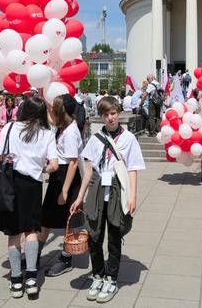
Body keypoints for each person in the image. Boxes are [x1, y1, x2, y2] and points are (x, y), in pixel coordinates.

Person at [70, 96, 145, 304]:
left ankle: (111, 278)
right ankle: (98, 275)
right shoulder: (95, 139)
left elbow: (132, 169)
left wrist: (132, 195)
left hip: (116, 189)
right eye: (106, 115)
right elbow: (89, 170)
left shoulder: (129, 138)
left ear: (118, 113)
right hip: (96, 190)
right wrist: (79, 197)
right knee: (94, 236)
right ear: (101, 117)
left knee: (114, 236)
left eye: (113, 114)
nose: (110, 118)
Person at [0, 96, 58, 299]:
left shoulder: (10, 128)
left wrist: (5, 157)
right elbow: (54, 166)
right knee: (31, 231)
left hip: (11, 184)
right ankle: (31, 279)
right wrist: (40, 168)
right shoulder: (47, 133)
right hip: (33, 186)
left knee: (13, 234)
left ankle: (16, 280)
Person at [39, 94, 83, 277]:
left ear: (62, 111)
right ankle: (35, 253)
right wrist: (42, 97)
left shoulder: (71, 132)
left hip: (67, 178)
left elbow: (73, 162)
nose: (52, 110)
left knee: (68, 221)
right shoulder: (63, 125)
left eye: (55, 107)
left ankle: (66, 259)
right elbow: (50, 111)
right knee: (45, 218)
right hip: (59, 176)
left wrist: (64, 191)